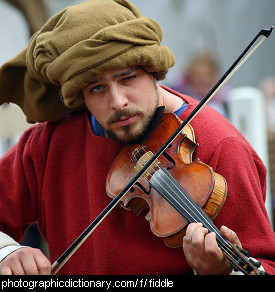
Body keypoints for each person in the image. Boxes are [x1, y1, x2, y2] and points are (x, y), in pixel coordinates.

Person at [0, 0, 274, 275]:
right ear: (79, 94)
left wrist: (219, 273)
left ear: (152, 68)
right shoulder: (50, 143)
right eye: (97, 88)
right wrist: (8, 252)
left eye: (127, 78)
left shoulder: (221, 146)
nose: (117, 102)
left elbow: (265, 267)